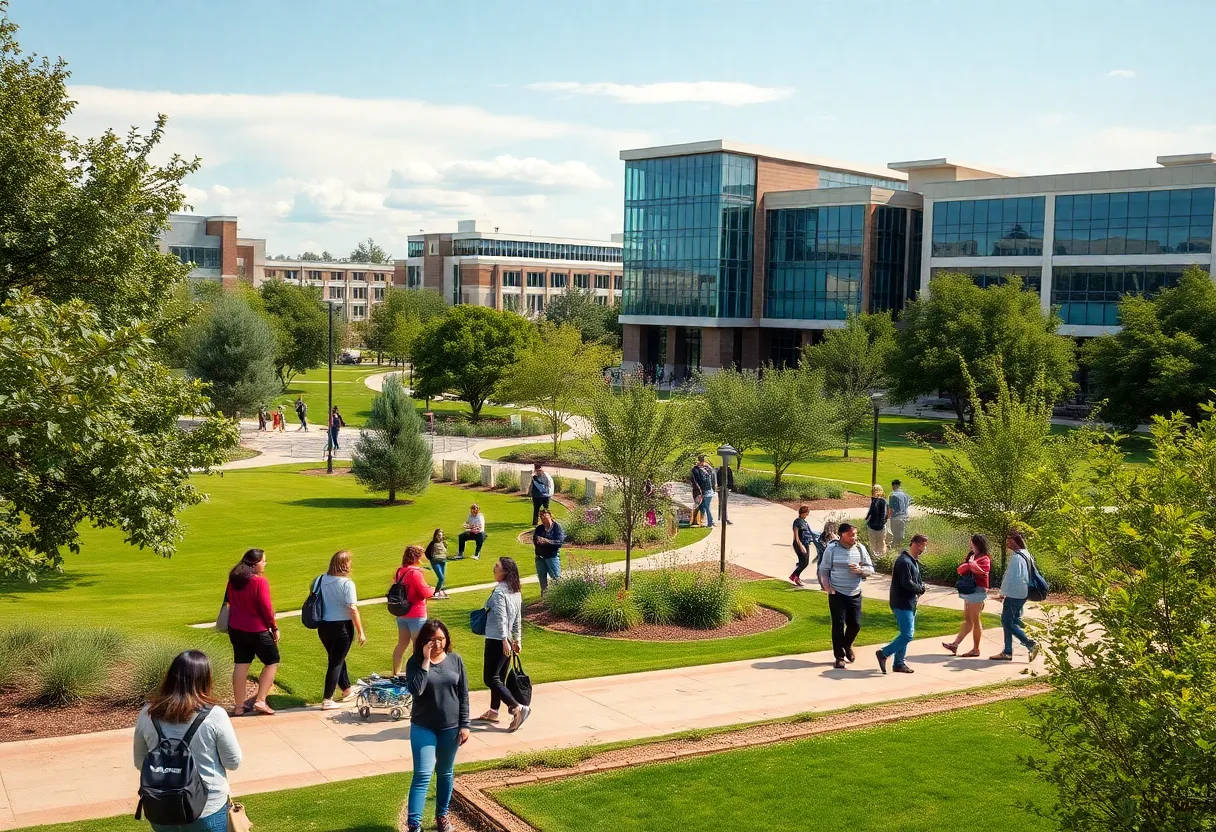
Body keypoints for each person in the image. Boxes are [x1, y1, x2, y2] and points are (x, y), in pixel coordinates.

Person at [133, 651, 242, 832]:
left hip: (161, 805)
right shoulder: (215, 716)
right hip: (208, 808)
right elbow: (233, 762)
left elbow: (140, 762)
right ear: (205, 678)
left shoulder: (147, 713)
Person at [403, 620, 470, 832]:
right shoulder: (414, 663)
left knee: (445, 773)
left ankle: (442, 817)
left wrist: (465, 724)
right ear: (424, 641)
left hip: (450, 728)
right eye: (432, 640)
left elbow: (463, 694)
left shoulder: (455, 659)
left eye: (441, 639)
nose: (438, 644)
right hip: (423, 727)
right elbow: (416, 690)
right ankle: (414, 825)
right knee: (422, 774)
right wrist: (425, 661)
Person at [475, 557, 529, 732]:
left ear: (505, 572)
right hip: (505, 641)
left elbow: (501, 618)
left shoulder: (499, 592)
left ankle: (516, 708)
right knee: (499, 677)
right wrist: (516, 640)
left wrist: (505, 640)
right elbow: (517, 619)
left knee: (491, 678)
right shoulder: (515, 591)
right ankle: (493, 711)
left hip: (496, 639)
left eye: (496, 566)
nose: (494, 568)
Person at [224, 548, 279, 716]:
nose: (265, 564)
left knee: (241, 664)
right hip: (256, 629)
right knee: (272, 661)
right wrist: (274, 627)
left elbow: (229, 601)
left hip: (236, 628)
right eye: (263, 561)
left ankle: (239, 706)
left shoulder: (234, 580)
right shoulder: (259, 582)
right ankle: (261, 701)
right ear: (255, 565)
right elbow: (266, 607)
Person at [817, 523, 875, 670]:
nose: (854, 537)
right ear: (842, 534)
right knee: (838, 625)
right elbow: (824, 569)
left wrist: (861, 570)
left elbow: (870, 569)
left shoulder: (860, 548)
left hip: (855, 592)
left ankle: (847, 644)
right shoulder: (832, 549)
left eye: (855, 534)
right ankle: (839, 657)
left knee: (855, 624)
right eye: (851, 535)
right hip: (837, 593)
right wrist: (827, 587)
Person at [316, 550, 367, 710]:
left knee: (337, 657)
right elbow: (353, 609)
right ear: (344, 565)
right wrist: (361, 631)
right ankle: (327, 699)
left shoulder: (320, 579)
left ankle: (346, 689)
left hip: (324, 626)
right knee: (336, 662)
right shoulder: (347, 584)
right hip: (342, 627)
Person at [876, 534, 927, 675]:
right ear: (916, 544)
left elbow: (914, 580)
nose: (924, 549)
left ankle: (899, 664)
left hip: (909, 602)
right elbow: (907, 583)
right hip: (902, 602)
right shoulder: (904, 562)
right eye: (923, 545)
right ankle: (883, 653)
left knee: (904, 633)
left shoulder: (912, 561)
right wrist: (920, 589)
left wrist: (919, 587)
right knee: (907, 635)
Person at [991, 531, 1042, 662]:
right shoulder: (1026, 554)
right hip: (1022, 593)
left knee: (1007, 622)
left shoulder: (1017, 557)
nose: (1007, 542)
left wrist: (1003, 593)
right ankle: (1007, 652)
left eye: (1009, 539)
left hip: (1015, 594)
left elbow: (1014, 578)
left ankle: (1030, 643)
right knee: (1012, 621)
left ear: (1015, 541)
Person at [943, 534, 992, 658]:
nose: (970, 544)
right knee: (968, 620)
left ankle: (976, 649)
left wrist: (971, 565)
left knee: (975, 620)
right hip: (969, 591)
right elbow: (960, 570)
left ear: (976, 543)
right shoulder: (971, 556)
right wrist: (969, 565)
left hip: (978, 591)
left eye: (971, 542)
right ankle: (955, 644)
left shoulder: (984, 558)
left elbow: (982, 572)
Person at [391, 546, 434, 675]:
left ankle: (396, 672)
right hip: (416, 614)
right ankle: (417, 673)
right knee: (418, 645)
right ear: (416, 557)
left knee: (401, 644)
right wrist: (433, 589)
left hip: (402, 613)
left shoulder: (400, 571)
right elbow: (425, 592)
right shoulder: (415, 573)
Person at [533, 508, 565, 595]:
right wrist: (543, 542)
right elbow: (536, 540)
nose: (542, 518)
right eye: (541, 516)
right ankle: (545, 597)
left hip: (552, 556)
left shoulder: (557, 528)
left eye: (544, 515)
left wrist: (546, 541)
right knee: (542, 578)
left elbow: (559, 542)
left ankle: (558, 595)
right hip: (540, 557)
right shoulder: (539, 528)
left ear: (550, 516)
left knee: (556, 577)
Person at [790, 505, 817, 587]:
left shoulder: (804, 521)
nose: (808, 514)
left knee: (804, 562)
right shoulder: (797, 522)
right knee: (804, 562)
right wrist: (800, 545)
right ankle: (794, 576)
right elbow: (796, 535)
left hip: (806, 543)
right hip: (800, 543)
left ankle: (796, 577)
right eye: (807, 513)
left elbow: (810, 532)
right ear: (802, 513)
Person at [691, 454, 716, 529]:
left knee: (706, 507)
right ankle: (703, 521)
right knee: (702, 507)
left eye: (702, 460)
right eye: (700, 460)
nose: (702, 462)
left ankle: (710, 522)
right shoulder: (695, 469)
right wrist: (699, 490)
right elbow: (694, 481)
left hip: (708, 491)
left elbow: (712, 478)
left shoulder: (707, 468)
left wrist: (714, 488)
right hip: (701, 491)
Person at [888, 479, 912, 549]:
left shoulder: (893, 495)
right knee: (901, 536)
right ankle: (900, 549)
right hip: (904, 517)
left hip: (896, 518)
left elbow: (891, 509)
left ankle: (894, 550)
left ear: (894, 486)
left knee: (895, 536)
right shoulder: (905, 495)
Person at [865, 485, 888, 557]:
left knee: (880, 543)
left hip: (878, 527)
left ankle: (880, 557)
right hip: (873, 526)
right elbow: (870, 513)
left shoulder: (882, 501)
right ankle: (875, 557)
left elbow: (883, 515)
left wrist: (881, 524)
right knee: (874, 543)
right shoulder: (874, 500)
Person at [425, 529, 449, 599]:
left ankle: (440, 591)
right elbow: (427, 553)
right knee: (441, 578)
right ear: (435, 535)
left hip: (443, 561)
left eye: (441, 535)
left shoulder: (444, 543)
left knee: (442, 579)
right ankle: (436, 592)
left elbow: (445, 551)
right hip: (435, 562)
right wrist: (432, 559)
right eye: (438, 535)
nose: (440, 536)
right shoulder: (432, 543)